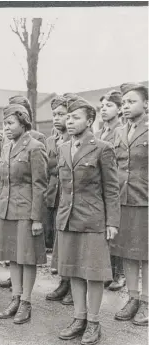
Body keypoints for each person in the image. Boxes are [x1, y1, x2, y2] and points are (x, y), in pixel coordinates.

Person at [56, 96, 120, 344]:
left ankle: (94, 322)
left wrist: (112, 222)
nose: (69, 122)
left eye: (76, 118)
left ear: (90, 120)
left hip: (94, 219)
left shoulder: (103, 148)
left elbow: (112, 189)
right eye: (68, 117)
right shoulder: (63, 148)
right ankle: (79, 317)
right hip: (68, 218)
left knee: (93, 273)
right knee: (73, 270)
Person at [0, 104, 47, 324]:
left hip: (26, 211)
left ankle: (26, 302)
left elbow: (40, 185)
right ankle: (15, 297)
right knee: (13, 257)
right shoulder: (6, 147)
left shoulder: (35, 147)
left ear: (23, 123)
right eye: (4, 123)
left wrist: (36, 218)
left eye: (10, 123)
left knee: (27, 258)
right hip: (7, 210)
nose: (5, 128)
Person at [112, 83, 148, 326]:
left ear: (146, 104)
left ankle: (146, 301)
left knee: (146, 254)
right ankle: (133, 297)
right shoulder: (119, 132)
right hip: (122, 200)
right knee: (127, 251)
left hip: (145, 200)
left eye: (131, 101)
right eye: (123, 103)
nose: (125, 106)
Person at [44, 95, 74, 306]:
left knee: (72, 241)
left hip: (71, 196)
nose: (57, 118)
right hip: (54, 195)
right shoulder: (50, 141)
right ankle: (64, 281)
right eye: (54, 114)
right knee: (59, 240)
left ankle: (74, 285)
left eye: (61, 114)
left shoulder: (75, 140)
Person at [96, 90, 125, 291]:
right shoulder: (99, 134)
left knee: (118, 229)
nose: (104, 110)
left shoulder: (122, 131)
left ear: (120, 109)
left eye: (109, 106)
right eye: (102, 106)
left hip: (120, 185)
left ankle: (120, 273)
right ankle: (108, 270)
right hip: (102, 186)